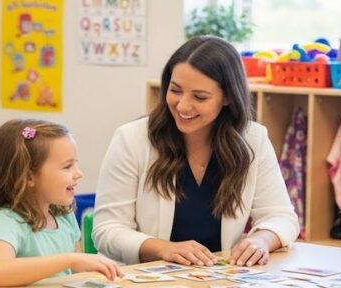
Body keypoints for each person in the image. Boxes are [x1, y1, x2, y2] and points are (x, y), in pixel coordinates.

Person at [93, 36, 299, 267]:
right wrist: (164, 249)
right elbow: (106, 230)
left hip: (217, 279)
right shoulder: (132, 139)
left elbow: (282, 217)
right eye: (175, 90)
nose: (182, 106)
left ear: (228, 98)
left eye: (199, 97)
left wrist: (261, 240)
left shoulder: (253, 140)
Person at [0, 119, 123, 287]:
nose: (78, 173)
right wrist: (69, 260)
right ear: (28, 177)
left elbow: (76, 275)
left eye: (75, 164)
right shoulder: (6, 221)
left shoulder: (65, 217)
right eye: (67, 167)